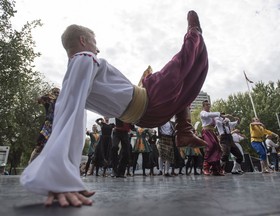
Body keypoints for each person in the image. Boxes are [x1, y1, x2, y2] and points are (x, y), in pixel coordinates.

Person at [20, 10, 209, 207]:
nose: (98, 48)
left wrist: (64, 173)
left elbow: (69, 111)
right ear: (83, 41)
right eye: (94, 41)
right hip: (151, 99)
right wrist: (59, 176)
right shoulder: (85, 57)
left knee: (187, 86)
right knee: (183, 61)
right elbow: (69, 114)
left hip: (145, 116)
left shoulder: (73, 72)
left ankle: (184, 129)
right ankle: (194, 31)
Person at [28, 87, 60, 163]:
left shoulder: (60, 102)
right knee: (39, 145)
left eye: (58, 93)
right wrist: (47, 96)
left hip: (56, 127)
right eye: (55, 92)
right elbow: (39, 100)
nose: (56, 94)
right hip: (47, 125)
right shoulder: (49, 101)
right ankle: (30, 163)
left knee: (53, 147)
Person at [200, 100, 223, 176]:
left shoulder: (212, 115)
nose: (208, 106)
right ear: (203, 106)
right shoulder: (203, 113)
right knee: (210, 146)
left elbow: (218, 120)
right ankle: (206, 167)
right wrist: (219, 114)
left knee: (217, 148)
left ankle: (215, 169)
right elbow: (208, 115)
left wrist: (223, 117)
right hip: (206, 131)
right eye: (206, 105)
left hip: (212, 132)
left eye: (209, 104)